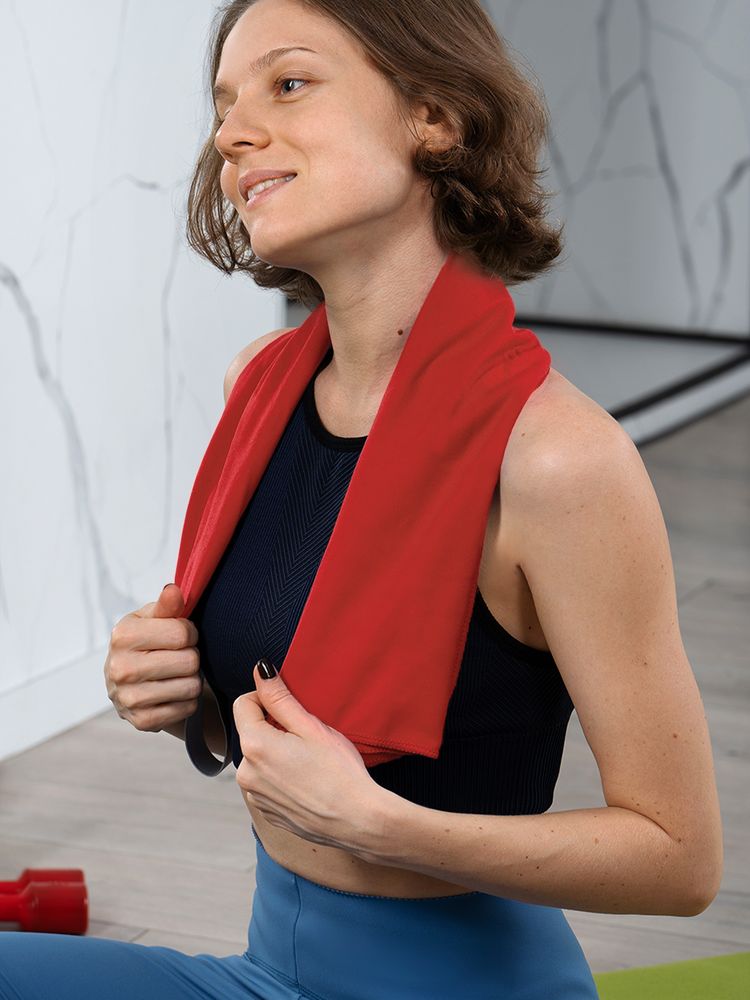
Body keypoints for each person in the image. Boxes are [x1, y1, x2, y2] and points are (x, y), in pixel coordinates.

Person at [0, 1, 723, 998]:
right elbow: (277, 704)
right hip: (273, 968)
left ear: (435, 117)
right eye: (225, 105)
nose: (232, 132)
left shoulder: (557, 460)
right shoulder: (259, 388)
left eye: (289, 84)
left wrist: (383, 826)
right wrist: (175, 698)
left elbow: (681, 858)